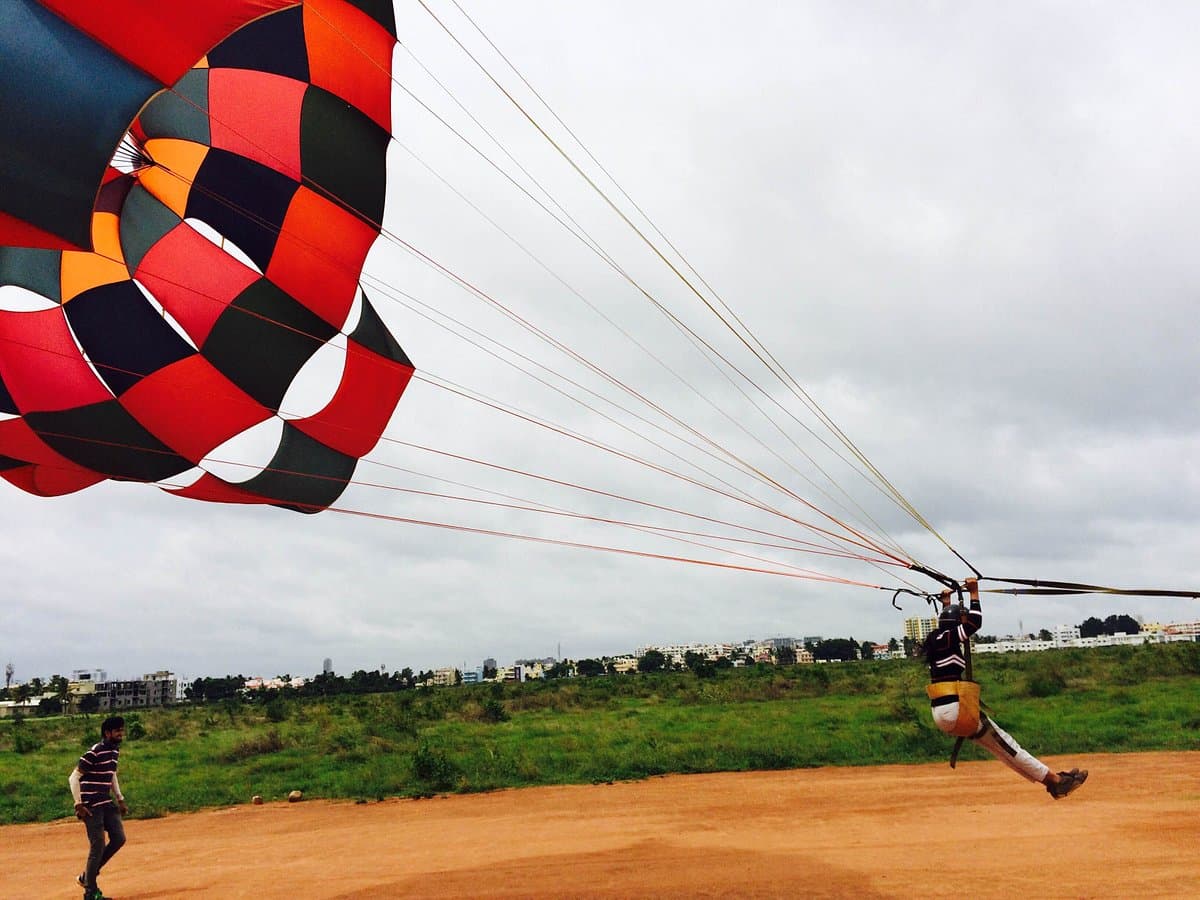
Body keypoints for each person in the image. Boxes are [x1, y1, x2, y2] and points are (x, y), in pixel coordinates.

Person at [924, 577, 1088, 799]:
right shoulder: (952, 635)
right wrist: (974, 593)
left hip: (941, 712)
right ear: (955, 623)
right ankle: (1056, 782)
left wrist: (947, 602)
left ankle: (1052, 780)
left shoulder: (936, 637)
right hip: (956, 711)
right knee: (1007, 746)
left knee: (1002, 749)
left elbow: (948, 624)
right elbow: (974, 624)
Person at [70, 715, 128, 900]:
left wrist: (120, 798)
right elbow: (73, 778)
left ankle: (87, 877)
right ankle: (90, 892)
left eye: (122, 730)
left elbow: (111, 775)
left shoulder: (114, 752)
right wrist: (78, 804)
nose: (121, 734)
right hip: (91, 806)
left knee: (119, 838)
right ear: (107, 733)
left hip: (106, 801)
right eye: (117, 731)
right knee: (98, 846)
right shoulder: (94, 752)